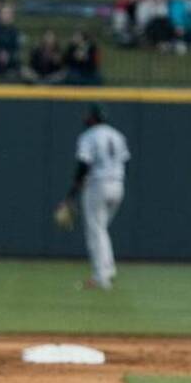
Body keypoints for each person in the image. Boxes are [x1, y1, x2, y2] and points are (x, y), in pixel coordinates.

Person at [58, 104, 129, 290]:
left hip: (98, 185)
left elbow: (84, 164)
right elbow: (125, 162)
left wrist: (71, 194)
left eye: (88, 116)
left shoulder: (89, 135)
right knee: (101, 230)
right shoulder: (117, 135)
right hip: (118, 185)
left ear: (93, 118)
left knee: (96, 232)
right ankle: (108, 269)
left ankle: (101, 278)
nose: (85, 118)